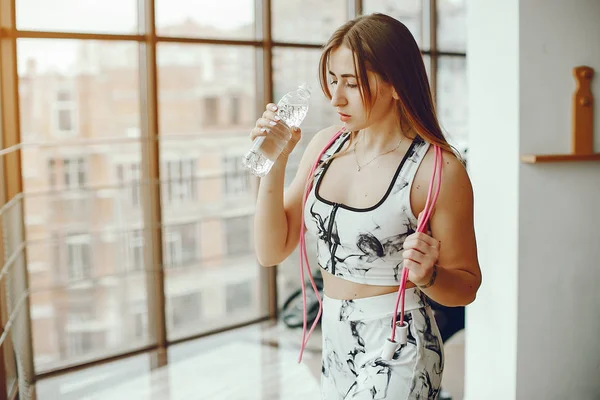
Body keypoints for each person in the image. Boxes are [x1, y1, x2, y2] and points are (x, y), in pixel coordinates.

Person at [251, 13, 481, 400]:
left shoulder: (437, 169)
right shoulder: (324, 146)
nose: (336, 97)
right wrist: (272, 164)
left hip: (400, 342)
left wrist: (429, 275)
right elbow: (270, 251)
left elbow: (467, 286)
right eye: (333, 80)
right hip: (336, 339)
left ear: (396, 85)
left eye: (353, 84)